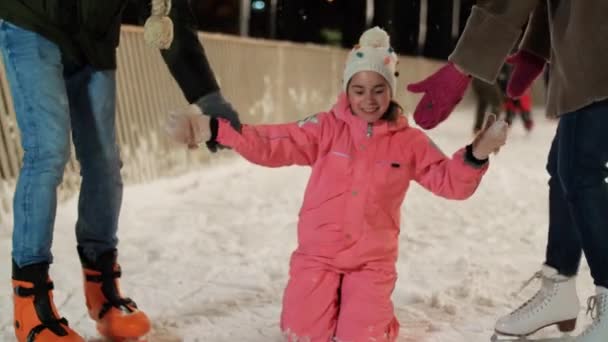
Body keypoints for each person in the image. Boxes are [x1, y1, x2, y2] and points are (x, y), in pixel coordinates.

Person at [166, 27, 508, 341]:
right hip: (318, 255)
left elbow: (449, 182)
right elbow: (271, 143)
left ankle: (364, 307)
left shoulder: (409, 142)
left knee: (361, 337)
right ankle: (334, 299)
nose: (369, 100)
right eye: (358, 90)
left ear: (391, 89)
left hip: (371, 260)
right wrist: (211, 129)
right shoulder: (325, 128)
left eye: (378, 90)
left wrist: (477, 154)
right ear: (347, 90)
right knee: (301, 333)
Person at [0, 0, 240, 340]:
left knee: (104, 161)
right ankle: (30, 302)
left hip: (93, 38)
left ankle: (102, 288)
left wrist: (209, 97)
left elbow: (166, 12)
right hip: (32, 18)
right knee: (48, 150)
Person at [406, 1, 608, 340]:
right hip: (590, 48)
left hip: (596, 52)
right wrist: (536, 47)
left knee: (578, 172)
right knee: (566, 170)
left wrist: (463, 65)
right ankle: (560, 285)